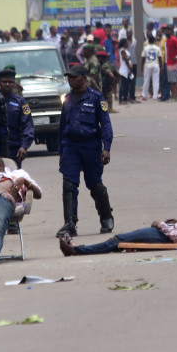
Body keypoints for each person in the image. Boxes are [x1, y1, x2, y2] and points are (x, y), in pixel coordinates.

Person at [56, 64, 114, 238]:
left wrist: (107, 148)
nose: (71, 80)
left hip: (90, 146)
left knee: (94, 183)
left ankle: (106, 217)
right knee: (69, 184)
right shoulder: (67, 99)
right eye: (69, 77)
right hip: (71, 147)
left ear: (83, 77)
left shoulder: (96, 98)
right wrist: (61, 151)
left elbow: (106, 125)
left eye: (74, 77)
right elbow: (62, 127)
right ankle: (70, 223)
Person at [0, 69, 34, 168]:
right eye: (4, 82)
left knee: (13, 178)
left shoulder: (20, 102)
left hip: (13, 148)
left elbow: (27, 125)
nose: (7, 84)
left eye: (10, 82)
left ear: (14, 83)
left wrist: (24, 146)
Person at [141, 35, 162, 100]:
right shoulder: (157, 48)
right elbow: (160, 58)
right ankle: (155, 96)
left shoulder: (145, 48)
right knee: (156, 81)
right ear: (154, 41)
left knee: (146, 81)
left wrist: (142, 66)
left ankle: (144, 95)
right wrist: (161, 67)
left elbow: (143, 58)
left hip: (147, 66)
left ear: (148, 41)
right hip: (155, 65)